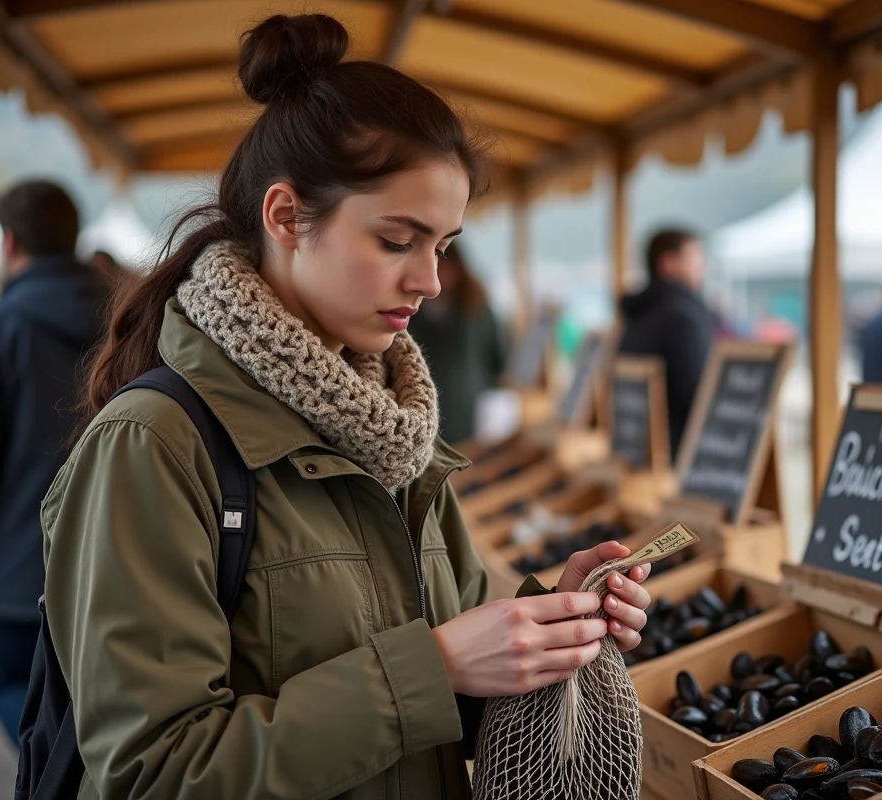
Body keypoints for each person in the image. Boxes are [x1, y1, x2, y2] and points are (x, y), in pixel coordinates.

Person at [43, 14, 652, 798]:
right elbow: (152, 772)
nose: (430, 281)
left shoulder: (394, 430)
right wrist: (432, 670)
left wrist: (547, 625)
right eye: (398, 240)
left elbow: (452, 658)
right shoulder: (155, 444)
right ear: (286, 217)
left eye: (443, 245)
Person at [0, 181, 110, 747]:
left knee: (6, 680)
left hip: (20, 555)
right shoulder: (130, 316)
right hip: (121, 541)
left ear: (10, 241)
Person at [618, 228, 713, 457]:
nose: (703, 267)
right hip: (675, 459)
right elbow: (699, 398)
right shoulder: (681, 320)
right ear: (668, 264)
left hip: (633, 452)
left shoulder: (637, 314)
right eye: (694, 259)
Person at [409, 242, 507, 442]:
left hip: (471, 407)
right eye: (436, 267)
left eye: (446, 267)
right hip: (425, 409)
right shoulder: (410, 310)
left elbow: (499, 354)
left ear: (458, 267)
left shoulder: (476, 305)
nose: (441, 275)